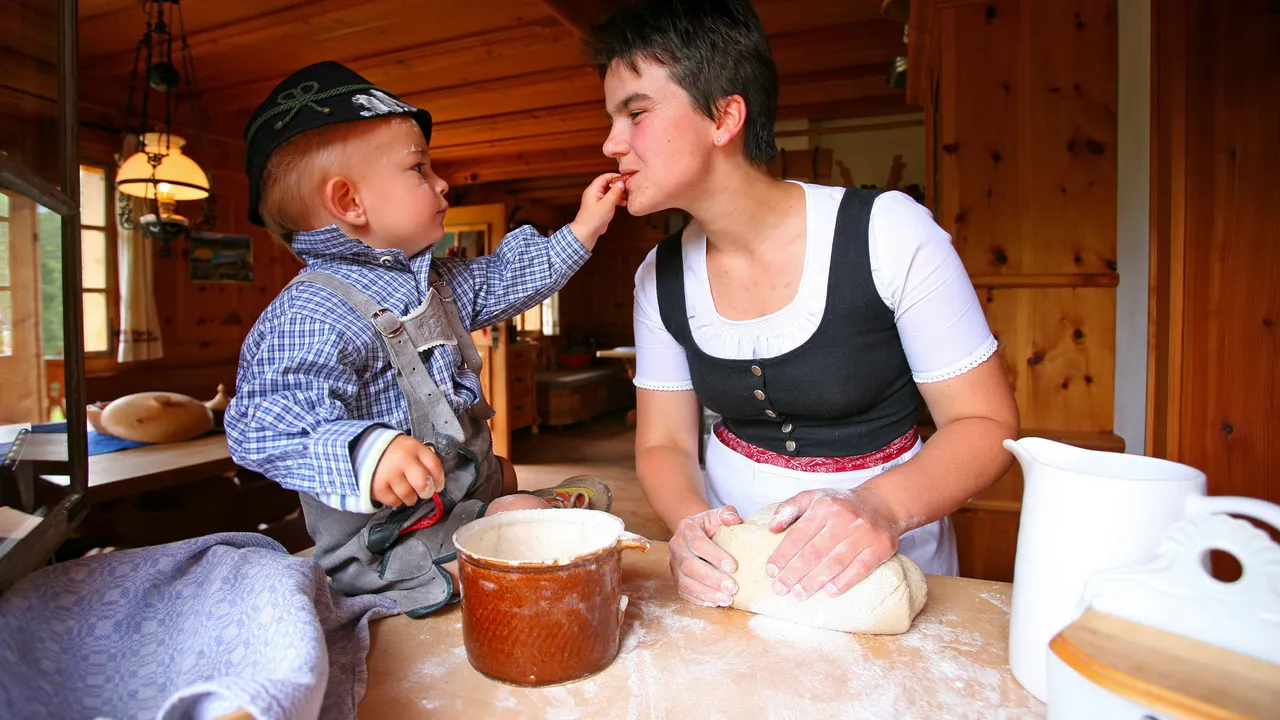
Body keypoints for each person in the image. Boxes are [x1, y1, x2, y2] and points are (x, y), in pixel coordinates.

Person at [586, 0, 1020, 609]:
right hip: (738, 568)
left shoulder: (888, 232)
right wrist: (692, 526)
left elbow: (985, 425)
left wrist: (879, 508)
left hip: (892, 553)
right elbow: (666, 445)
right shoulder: (658, 277)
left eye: (636, 113)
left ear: (724, 117)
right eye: (611, 119)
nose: (611, 144)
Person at [225, 61, 625, 616]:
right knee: (520, 539)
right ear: (349, 202)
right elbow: (262, 425)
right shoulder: (312, 312)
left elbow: (506, 278)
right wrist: (366, 452)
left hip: (459, 490)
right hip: (393, 535)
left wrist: (583, 228)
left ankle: (510, 508)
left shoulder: (433, 280)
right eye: (419, 168)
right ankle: (510, 528)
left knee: (504, 476)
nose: (442, 183)